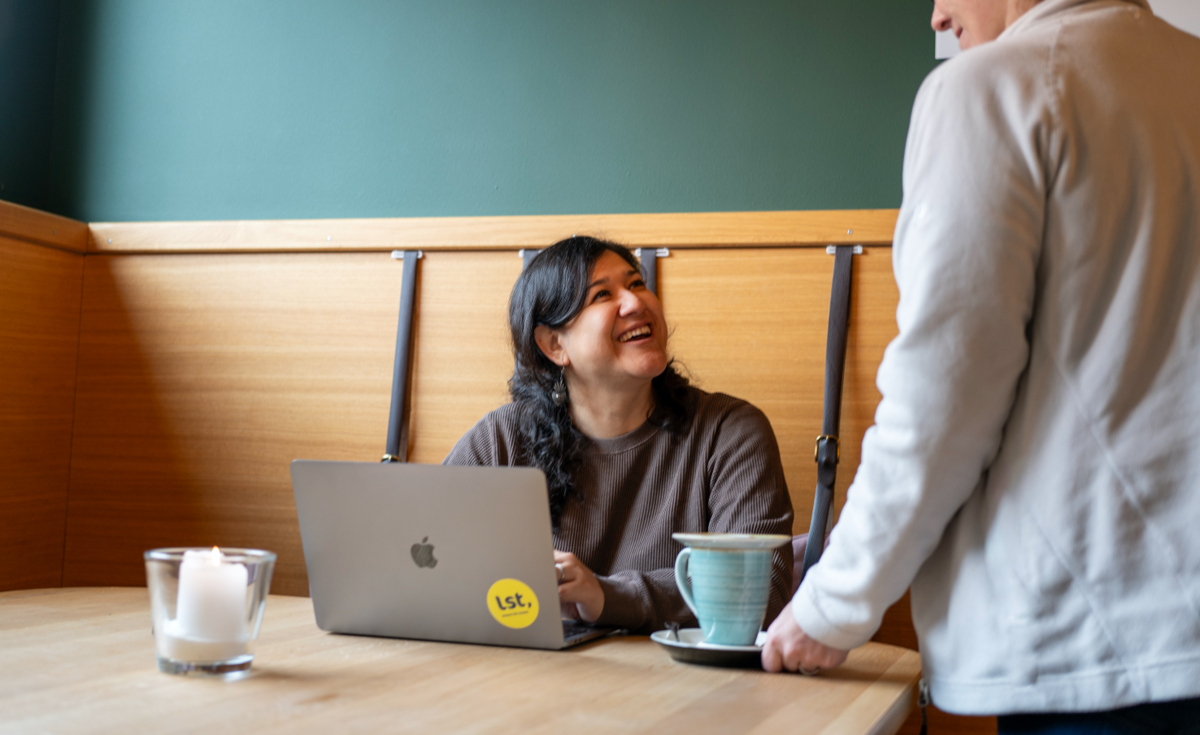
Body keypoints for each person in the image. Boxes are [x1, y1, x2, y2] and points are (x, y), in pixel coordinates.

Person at [762, 0, 1200, 728]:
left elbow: (943, 396)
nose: (936, 16)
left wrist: (832, 605)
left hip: (1092, 652)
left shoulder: (992, 88)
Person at [444, 236, 794, 634]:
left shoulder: (729, 431)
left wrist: (608, 596)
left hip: (683, 686)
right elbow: (426, 564)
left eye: (637, 284)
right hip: (529, 682)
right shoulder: (501, 440)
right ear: (554, 344)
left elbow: (762, 591)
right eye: (602, 295)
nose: (635, 303)